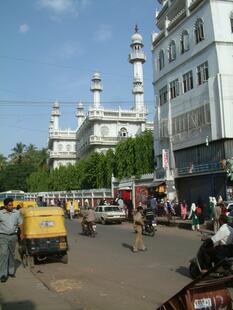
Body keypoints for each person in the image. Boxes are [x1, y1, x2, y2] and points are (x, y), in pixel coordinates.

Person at [0, 198, 23, 283]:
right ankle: (3, 274)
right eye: (9, 205)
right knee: (3, 253)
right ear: (5, 206)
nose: (11, 206)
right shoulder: (0, 213)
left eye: (12, 205)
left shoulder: (16, 213)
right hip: (3, 236)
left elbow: (20, 223)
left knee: (11, 254)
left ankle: (11, 271)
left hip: (13, 236)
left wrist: (22, 234)